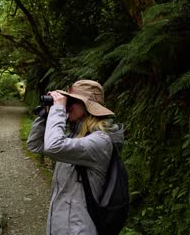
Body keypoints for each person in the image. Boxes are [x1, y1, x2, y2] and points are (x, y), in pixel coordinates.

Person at [27, 80, 124, 235]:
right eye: (67, 101)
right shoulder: (76, 136)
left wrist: (58, 110)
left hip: (79, 229)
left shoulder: (100, 141)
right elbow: (35, 144)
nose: (67, 105)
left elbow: (53, 146)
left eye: (72, 101)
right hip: (59, 225)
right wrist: (46, 114)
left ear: (88, 107)